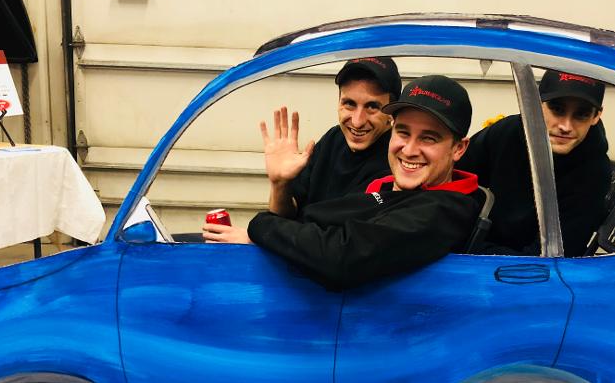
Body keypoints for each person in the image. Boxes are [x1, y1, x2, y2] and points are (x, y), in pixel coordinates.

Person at [204, 76, 482, 290]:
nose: (409, 150)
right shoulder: (386, 185)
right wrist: (279, 185)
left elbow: (342, 258)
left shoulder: (444, 209)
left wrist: (259, 230)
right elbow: (318, 230)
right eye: (403, 132)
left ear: (459, 148)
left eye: (428, 138)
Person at [457, 69, 611, 257]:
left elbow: (551, 258)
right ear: (536, 105)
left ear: (596, 116)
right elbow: (454, 177)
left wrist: (469, 248)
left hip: (520, 268)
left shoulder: (594, 172)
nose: (565, 126)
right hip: (475, 246)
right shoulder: (505, 132)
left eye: (581, 115)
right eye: (557, 109)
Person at [266, 56, 402, 218]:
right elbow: (286, 213)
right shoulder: (333, 138)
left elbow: (331, 231)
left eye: (372, 106)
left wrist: (261, 226)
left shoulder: (397, 163)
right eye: (349, 104)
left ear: (391, 114)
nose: (357, 122)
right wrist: (279, 185)